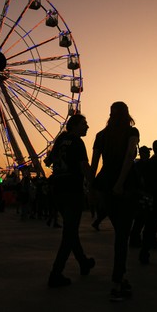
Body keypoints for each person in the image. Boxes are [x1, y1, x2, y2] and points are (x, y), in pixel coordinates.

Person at [90, 101, 139, 301]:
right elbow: (130, 155)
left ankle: (122, 277)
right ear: (127, 114)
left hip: (104, 185)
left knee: (120, 232)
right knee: (122, 235)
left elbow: (94, 164)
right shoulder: (132, 132)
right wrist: (120, 183)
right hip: (125, 186)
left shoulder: (100, 135)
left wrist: (91, 187)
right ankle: (117, 281)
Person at [45, 114, 96, 288]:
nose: (87, 127)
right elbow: (84, 165)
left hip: (58, 189)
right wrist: (94, 183)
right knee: (69, 233)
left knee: (70, 229)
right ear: (74, 125)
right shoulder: (78, 142)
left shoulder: (61, 140)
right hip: (72, 190)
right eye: (84, 124)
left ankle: (83, 262)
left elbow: (48, 160)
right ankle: (56, 273)